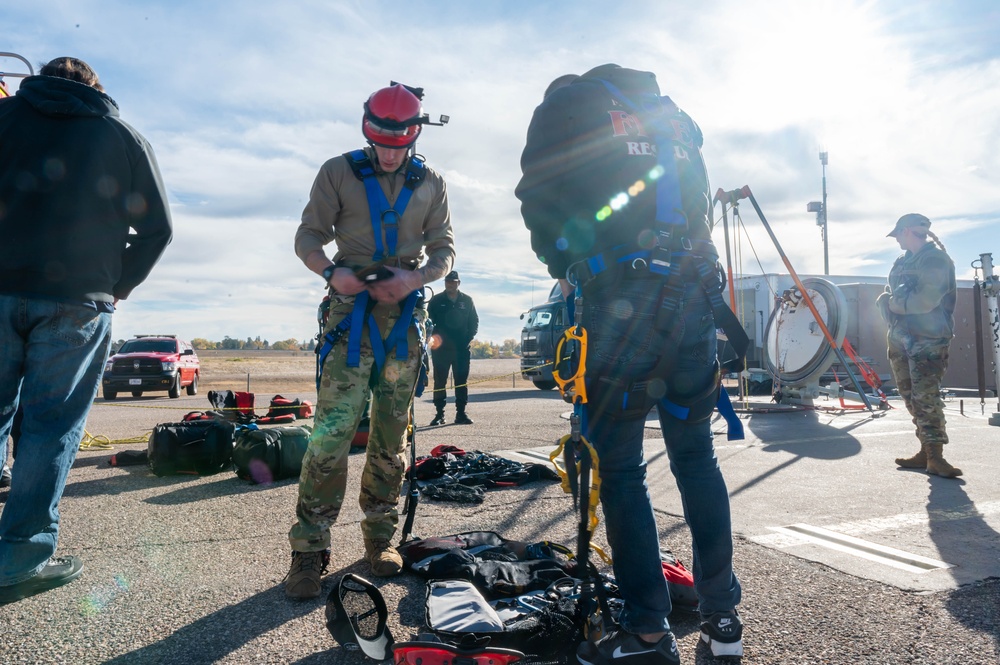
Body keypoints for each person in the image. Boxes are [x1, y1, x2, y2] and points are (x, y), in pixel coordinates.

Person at [516, 64, 743, 664]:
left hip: (620, 305)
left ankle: (647, 631)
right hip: (695, 300)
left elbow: (537, 198)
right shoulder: (675, 117)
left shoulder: (565, 105)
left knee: (618, 467)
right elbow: (697, 205)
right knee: (696, 457)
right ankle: (723, 619)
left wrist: (568, 264)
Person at [0, 56, 172, 604]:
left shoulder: (3, 118)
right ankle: (19, 558)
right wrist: (117, 285)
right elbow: (157, 228)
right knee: (50, 427)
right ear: (95, 88)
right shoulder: (121, 136)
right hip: (78, 301)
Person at [287, 82, 454, 598]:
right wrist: (331, 271)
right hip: (350, 317)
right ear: (367, 131)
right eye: (380, 143)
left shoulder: (432, 182)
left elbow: (444, 250)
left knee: (391, 437)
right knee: (331, 436)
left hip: (403, 323)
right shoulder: (338, 172)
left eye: (398, 145)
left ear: (414, 136)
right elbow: (307, 237)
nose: (388, 154)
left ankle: (380, 539)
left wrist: (417, 279)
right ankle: (309, 552)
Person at [877, 213, 961, 478]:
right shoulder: (902, 261)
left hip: (928, 339)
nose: (897, 240)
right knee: (909, 394)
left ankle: (936, 455)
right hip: (901, 336)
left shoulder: (936, 259)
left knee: (926, 394)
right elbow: (893, 292)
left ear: (906, 232)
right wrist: (886, 302)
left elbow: (926, 301)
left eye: (898, 235)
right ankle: (926, 450)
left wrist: (892, 304)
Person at [427, 270, 479, 425]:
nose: (451, 284)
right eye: (448, 281)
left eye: (454, 282)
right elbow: (428, 323)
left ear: (459, 283)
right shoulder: (436, 300)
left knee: (461, 381)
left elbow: (474, 321)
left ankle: (461, 414)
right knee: (439, 382)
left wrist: (468, 338)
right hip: (441, 350)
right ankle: (439, 414)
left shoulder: (467, 300)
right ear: (445, 283)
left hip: (461, 349)